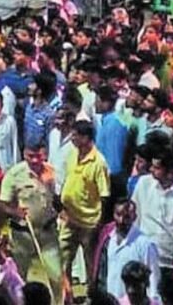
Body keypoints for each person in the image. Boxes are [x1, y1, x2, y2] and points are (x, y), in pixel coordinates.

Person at [0, 143, 63, 304]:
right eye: (30, 156)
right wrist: (15, 212)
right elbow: (2, 203)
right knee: (19, 278)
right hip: (22, 235)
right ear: (24, 154)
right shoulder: (14, 175)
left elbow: (58, 198)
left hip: (48, 232)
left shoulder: (52, 172)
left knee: (56, 276)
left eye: (38, 156)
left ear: (45, 154)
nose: (34, 160)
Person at [59, 120, 110, 292]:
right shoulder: (72, 154)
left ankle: (91, 296)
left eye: (76, 135)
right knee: (62, 258)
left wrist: (98, 223)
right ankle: (67, 295)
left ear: (86, 138)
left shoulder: (99, 162)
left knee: (90, 263)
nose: (72, 138)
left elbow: (104, 195)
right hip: (69, 218)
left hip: (89, 223)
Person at [131, 148, 173, 272]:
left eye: (156, 168)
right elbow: (135, 216)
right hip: (142, 256)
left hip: (169, 262)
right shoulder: (144, 184)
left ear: (170, 172)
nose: (151, 170)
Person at [91, 199, 160, 301]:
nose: (121, 220)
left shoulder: (144, 244)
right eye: (118, 215)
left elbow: (153, 278)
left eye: (127, 216)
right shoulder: (108, 239)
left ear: (134, 217)